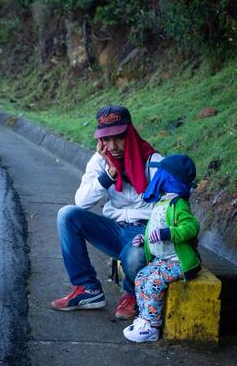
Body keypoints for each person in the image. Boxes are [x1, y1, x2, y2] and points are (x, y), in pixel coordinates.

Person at [51, 105, 163, 320]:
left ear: (129, 134)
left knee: (136, 255)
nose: (113, 146)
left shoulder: (154, 162)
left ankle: (132, 293)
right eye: (106, 139)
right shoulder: (101, 162)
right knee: (68, 215)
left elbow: (169, 207)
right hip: (114, 230)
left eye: (119, 138)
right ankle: (88, 290)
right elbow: (81, 201)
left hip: (145, 233)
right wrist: (110, 174)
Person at [123, 154, 200, 343]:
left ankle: (151, 327)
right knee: (141, 278)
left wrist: (169, 233)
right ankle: (144, 319)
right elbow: (154, 228)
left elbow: (191, 227)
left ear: (169, 177)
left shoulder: (178, 204)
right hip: (163, 260)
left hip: (177, 262)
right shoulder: (162, 202)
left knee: (152, 283)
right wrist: (144, 238)